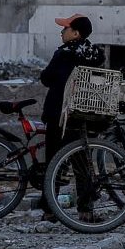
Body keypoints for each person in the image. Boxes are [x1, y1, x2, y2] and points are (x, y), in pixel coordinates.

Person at [38, 14, 104, 167]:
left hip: (60, 114)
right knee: (80, 161)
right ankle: (86, 191)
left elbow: (47, 78)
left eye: (65, 28)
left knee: (54, 162)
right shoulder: (95, 55)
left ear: (76, 33)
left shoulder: (65, 53)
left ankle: (51, 190)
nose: (61, 32)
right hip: (85, 112)